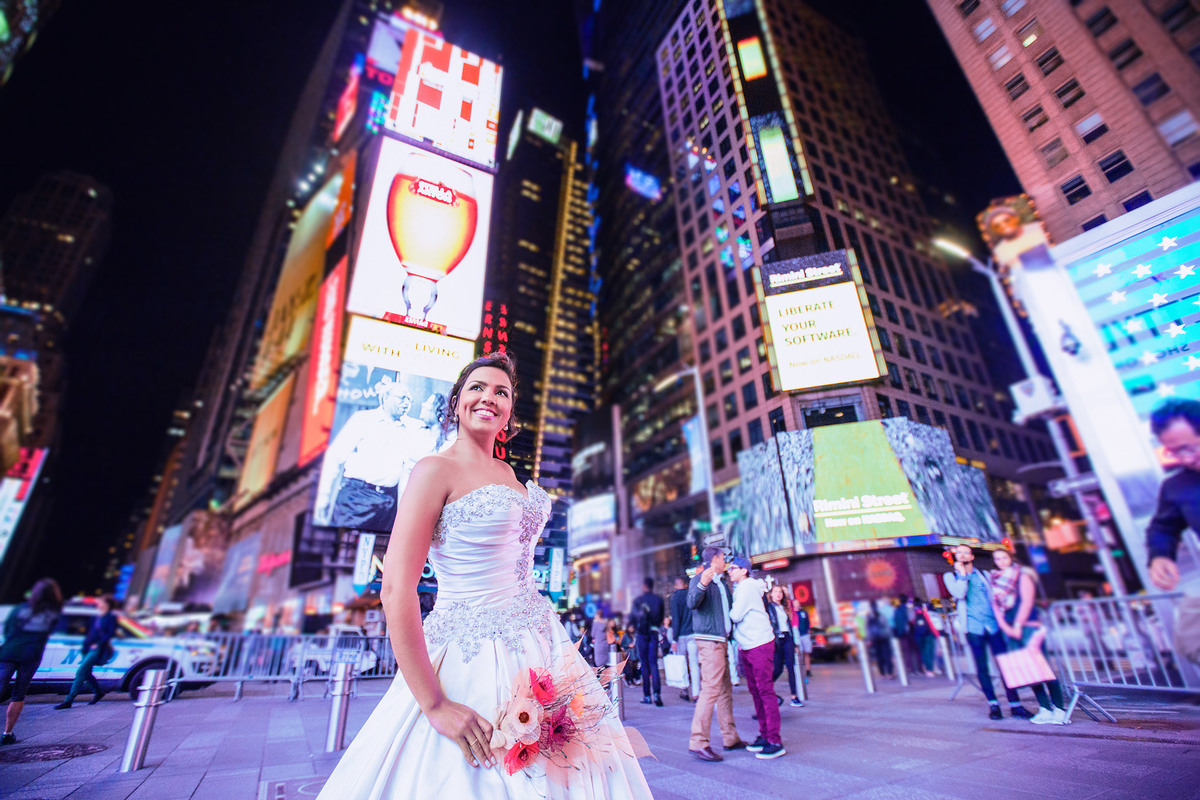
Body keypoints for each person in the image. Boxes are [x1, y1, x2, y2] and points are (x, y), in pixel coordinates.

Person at [315, 353, 651, 798]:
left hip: (541, 642)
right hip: (467, 651)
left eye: (501, 392)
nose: (488, 397)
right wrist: (434, 703)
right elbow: (396, 588)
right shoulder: (433, 469)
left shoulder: (510, 474)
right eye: (477, 387)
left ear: (510, 411)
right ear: (456, 402)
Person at [315, 381, 425, 530]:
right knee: (346, 547)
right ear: (385, 398)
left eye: (409, 400)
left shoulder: (412, 427)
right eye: (402, 398)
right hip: (356, 498)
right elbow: (334, 457)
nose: (407, 403)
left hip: (388, 502)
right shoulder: (363, 419)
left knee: (379, 550)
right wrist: (323, 497)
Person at [944, 544, 1032, 720]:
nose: (962, 555)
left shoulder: (984, 575)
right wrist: (962, 575)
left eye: (966, 552)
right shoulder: (950, 576)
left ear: (972, 556)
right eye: (959, 552)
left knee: (1005, 665)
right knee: (982, 666)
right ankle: (993, 704)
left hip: (993, 625)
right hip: (973, 627)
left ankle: (1015, 704)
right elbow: (959, 594)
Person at [991, 549, 1068, 724]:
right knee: (1029, 670)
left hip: (1029, 626)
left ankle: (1059, 709)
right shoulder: (994, 579)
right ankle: (1045, 708)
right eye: (997, 559)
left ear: (1011, 558)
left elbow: (1027, 601)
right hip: (1010, 629)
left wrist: (1017, 625)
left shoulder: (1022, 575)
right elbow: (995, 606)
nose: (1001, 561)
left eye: (1004, 557)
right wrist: (1006, 627)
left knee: (1043, 668)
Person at [686, 546, 745, 762]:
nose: (725, 562)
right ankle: (698, 742)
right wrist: (702, 584)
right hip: (710, 641)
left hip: (722, 640)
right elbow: (691, 602)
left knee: (724, 690)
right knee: (710, 689)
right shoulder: (702, 578)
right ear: (715, 559)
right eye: (723, 558)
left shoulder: (722, 583)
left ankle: (730, 737)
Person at [727, 558, 785, 759]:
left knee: (765, 691)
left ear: (744, 570)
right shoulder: (743, 587)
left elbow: (735, 615)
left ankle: (774, 740)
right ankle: (765, 735)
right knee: (756, 691)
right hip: (749, 644)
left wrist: (731, 613)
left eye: (733, 568)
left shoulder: (747, 587)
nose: (730, 571)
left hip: (759, 643)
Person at [1145, 398, 1200, 591]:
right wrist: (1160, 555)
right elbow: (1162, 528)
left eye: (1189, 448)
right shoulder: (1176, 487)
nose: (1186, 459)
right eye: (1175, 452)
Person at [0, 578, 62, 744]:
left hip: (9, 652)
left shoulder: (20, 609)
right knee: (19, 693)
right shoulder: (53, 613)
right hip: (31, 655)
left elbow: (7, 630)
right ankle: (7, 733)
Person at [55, 595, 118, 709]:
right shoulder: (96, 616)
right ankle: (98, 692)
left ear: (107, 604)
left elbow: (109, 634)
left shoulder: (110, 618)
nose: (98, 603)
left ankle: (69, 700)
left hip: (98, 649)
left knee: (80, 672)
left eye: (101, 601)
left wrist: (98, 644)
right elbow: (89, 631)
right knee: (86, 673)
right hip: (87, 647)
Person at [767, 585, 803, 707]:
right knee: (778, 668)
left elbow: (791, 625)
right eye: (775, 592)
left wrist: (795, 643)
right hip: (777, 639)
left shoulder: (785, 608)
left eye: (780, 592)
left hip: (787, 638)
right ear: (771, 594)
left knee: (791, 667)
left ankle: (794, 696)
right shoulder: (769, 607)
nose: (778, 594)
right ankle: (765, 690)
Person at [631, 577, 664, 706]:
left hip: (642, 634)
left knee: (644, 664)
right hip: (654, 633)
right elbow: (660, 618)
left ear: (644, 586)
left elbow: (633, 618)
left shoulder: (638, 600)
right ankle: (657, 694)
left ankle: (647, 696)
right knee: (653, 663)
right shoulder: (658, 600)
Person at [670, 576, 700, 702]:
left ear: (675, 586)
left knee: (682, 663)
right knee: (694, 664)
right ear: (686, 585)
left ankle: (684, 689)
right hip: (693, 633)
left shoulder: (675, 598)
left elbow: (676, 619)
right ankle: (696, 693)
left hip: (681, 635)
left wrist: (674, 639)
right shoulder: (691, 595)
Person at [866, 602, 893, 679]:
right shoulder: (881, 615)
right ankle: (890, 673)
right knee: (887, 655)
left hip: (875, 639)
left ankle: (882, 673)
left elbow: (868, 629)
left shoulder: (869, 617)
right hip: (884, 637)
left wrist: (869, 639)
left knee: (879, 656)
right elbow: (887, 627)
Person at [793, 598, 813, 679]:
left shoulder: (803, 613)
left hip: (805, 635)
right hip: (797, 636)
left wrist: (808, 631)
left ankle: (808, 670)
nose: (797, 604)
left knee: (807, 652)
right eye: (795, 603)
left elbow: (808, 623)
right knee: (798, 654)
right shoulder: (792, 613)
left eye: (798, 603)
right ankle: (799, 670)